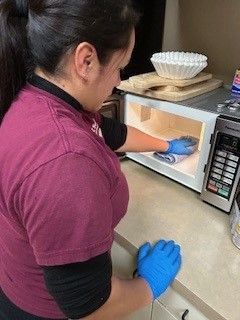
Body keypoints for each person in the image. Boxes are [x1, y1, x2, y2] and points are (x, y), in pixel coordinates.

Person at [0, 1, 194, 319]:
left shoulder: (39, 97)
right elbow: (90, 306)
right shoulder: (66, 165)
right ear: (86, 60)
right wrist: (149, 284)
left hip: (15, 280)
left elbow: (110, 131)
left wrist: (165, 143)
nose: (119, 79)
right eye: (120, 66)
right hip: (40, 311)